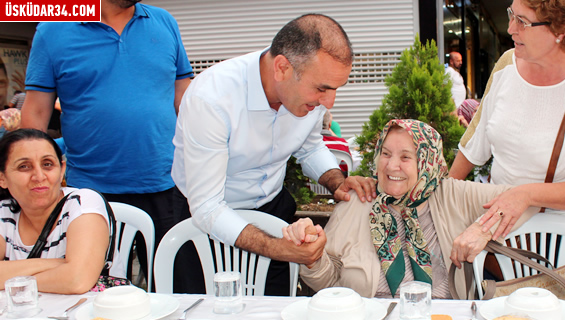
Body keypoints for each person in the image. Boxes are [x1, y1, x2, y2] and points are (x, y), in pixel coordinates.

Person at [172, 14, 376, 295]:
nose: (328, 103)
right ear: (281, 68)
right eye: (322, 89)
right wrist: (278, 248)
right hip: (204, 224)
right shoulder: (211, 99)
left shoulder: (306, 95)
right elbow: (208, 208)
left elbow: (311, 146)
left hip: (274, 211)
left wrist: (336, 182)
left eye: (335, 90)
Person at [21, 0, 193, 290]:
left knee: (175, 287)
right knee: (98, 290)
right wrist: (27, 175)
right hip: (92, 192)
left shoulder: (164, 22)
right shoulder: (53, 28)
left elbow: (185, 98)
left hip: (167, 183)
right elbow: (37, 111)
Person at [285, 119, 539, 298]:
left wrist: (483, 228)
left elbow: (528, 201)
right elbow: (327, 283)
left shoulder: (453, 194)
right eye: (385, 154)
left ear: (427, 161)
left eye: (406, 157)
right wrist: (312, 256)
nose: (391, 166)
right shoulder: (358, 201)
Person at [448, 0, 565, 247]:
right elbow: (475, 143)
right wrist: (441, 197)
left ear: (562, 29)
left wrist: (525, 195)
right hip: (502, 231)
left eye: (523, 21)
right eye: (511, 15)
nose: (510, 28)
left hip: (564, 242)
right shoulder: (507, 65)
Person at [0, 129, 110, 294]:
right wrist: (56, 264)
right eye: (24, 167)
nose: (39, 176)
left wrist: (11, 277)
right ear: (2, 178)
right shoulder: (4, 212)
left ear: (61, 170)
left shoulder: (83, 203)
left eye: (47, 164)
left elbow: (77, 280)